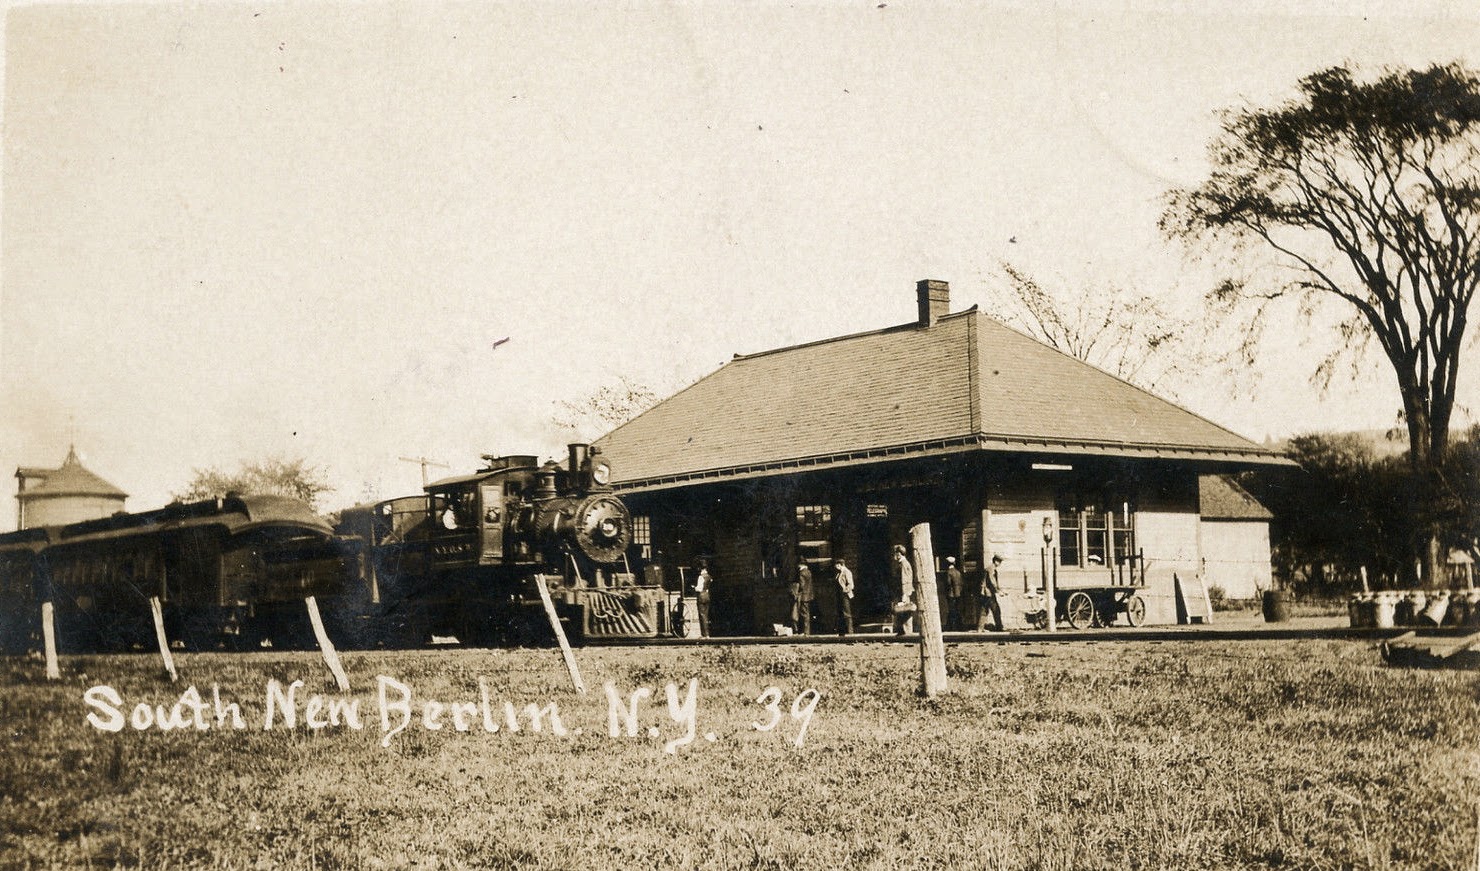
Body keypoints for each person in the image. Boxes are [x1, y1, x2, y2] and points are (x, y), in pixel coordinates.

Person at [891, 544, 916, 636]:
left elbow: (905, 580)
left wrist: (905, 594)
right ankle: (902, 631)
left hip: (903, 591)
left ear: (899, 554)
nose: (894, 555)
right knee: (902, 611)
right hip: (901, 591)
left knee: (905, 610)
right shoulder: (902, 564)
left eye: (895, 553)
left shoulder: (904, 564)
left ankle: (906, 632)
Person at [977, 553, 1004, 632]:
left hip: (985, 593)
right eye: (999, 561)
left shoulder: (990, 568)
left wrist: (1001, 590)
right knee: (996, 610)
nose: (1000, 563)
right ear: (995, 561)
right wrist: (998, 591)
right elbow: (992, 581)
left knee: (984, 610)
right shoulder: (991, 569)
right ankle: (999, 627)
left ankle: (980, 628)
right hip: (988, 593)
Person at [792, 560, 814, 635]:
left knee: (804, 614)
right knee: (807, 613)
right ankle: (807, 631)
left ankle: (805, 631)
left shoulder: (801, 573)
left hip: (803, 596)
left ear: (800, 565)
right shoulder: (808, 572)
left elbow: (802, 585)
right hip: (809, 595)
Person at [833, 558, 855, 636]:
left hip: (845, 595)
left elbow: (851, 584)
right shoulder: (839, 573)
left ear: (841, 565)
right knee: (840, 613)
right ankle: (842, 631)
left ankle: (849, 631)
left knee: (847, 613)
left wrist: (845, 590)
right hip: (839, 595)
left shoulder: (847, 572)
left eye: (838, 565)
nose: (836, 567)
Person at [694, 560, 713, 637]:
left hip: (701, 596)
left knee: (702, 615)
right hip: (707, 595)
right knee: (706, 615)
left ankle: (704, 634)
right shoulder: (709, 576)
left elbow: (699, 588)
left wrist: (694, 588)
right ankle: (707, 634)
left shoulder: (701, 577)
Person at [943, 556, 963, 630]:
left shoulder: (948, 572)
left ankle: (950, 626)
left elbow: (948, 583)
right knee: (957, 609)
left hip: (951, 594)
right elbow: (961, 583)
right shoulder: (958, 572)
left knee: (951, 610)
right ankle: (959, 626)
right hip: (958, 593)